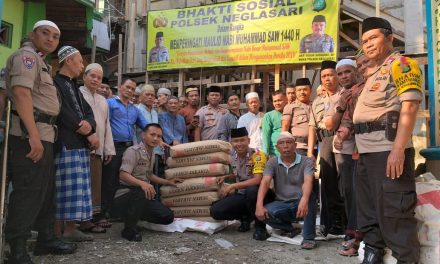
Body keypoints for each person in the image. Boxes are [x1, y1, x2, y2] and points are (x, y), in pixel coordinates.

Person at [5, 20, 77, 263]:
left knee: (45, 192)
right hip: (29, 135)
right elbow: (21, 94)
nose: (50, 39)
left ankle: (45, 240)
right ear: (32, 34)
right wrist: (33, 136)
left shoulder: (41, 62)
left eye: (55, 36)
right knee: (28, 193)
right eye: (45, 33)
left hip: (45, 134)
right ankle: (17, 249)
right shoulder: (26, 57)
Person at [353, 17, 423, 264]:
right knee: (369, 211)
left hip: (388, 151)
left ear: (390, 37)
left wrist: (398, 149)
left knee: (396, 215)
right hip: (366, 153)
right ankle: (373, 254)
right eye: (364, 41)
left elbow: (411, 105)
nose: (368, 44)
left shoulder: (402, 64)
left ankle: (407, 260)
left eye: (373, 37)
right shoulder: (373, 73)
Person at [53, 46, 97, 242]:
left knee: (77, 190)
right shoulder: (55, 83)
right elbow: (60, 110)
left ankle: (71, 230)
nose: (82, 65)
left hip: (80, 145)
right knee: (63, 189)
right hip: (66, 143)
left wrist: (90, 126)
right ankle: (56, 233)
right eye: (80, 61)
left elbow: (88, 112)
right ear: (69, 61)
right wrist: (83, 128)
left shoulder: (76, 88)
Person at [112, 123, 182, 241]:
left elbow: (149, 174)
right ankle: (129, 229)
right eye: (152, 134)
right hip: (125, 194)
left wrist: (168, 182)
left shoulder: (152, 152)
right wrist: (143, 184)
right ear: (143, 135)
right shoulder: (133, 151)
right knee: (141, 192)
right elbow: (123, 175)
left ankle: (135, 217)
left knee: (167, 216)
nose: (155, 138)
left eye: (159, 136)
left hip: (142, 195)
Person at [255, 132, 317, 249]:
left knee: (310, 195)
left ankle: (308, 237)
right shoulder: (272, 162)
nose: (285, 146)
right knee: (263, 213)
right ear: (277, 147)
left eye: (289, 142)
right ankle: (291, 228)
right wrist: (259, 205)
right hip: (282, 204)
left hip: (302, 204)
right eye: (281, 143)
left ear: (295, 145)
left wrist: (304, 199)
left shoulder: (306, 161)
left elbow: (308, 181)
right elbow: (265, 182)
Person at [325, 59, 361, 256]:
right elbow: (331, 124)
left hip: (365, 143)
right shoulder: (339, 96)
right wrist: (340, 105)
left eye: (348, 72)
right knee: (348, 190)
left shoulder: (364, 88)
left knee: (360, 190)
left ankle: (358, 233)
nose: (344, 76)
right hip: (345, 146)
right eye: (340, 73)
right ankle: (351, 231)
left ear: (356, 72)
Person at [102, 79, 148, 223]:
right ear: (120, 87)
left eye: (133, 89)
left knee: (125, 181)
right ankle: (104, 213)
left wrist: (159, 138)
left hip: (129, 148)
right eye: (127, 87)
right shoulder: (110, 103)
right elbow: (103, 124)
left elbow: (146, 127)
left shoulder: (135, 109)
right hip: (113, 147)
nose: (130, 90)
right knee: (109, 180)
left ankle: (118, 212)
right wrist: (105, 147)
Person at [308, 60, 346, 238]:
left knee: (344, 182)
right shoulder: (316, 102)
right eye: (324, 76)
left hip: (343, 140)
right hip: (324, 142)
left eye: (331, 74)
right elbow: (312, 128)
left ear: (337, 75)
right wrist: (310, 152)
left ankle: (348, 223)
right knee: (328, 181)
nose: (327, 79)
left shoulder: (346, 94)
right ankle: (334, 223)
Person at [79, 63, 116, 233]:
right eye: (92, 76)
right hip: (81, 147)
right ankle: (79, 221)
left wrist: (108, 149)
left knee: (94, 185)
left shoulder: (103, 100)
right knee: (80, 185)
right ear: (84, 76)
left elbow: (107, 125)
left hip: (99, 149)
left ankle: (90, 219)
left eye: (99, 77)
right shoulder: (78, 94)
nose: (95, 80)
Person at [210, 127, 266, 233]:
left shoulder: (258, 155)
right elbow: (238, 174)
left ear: (248, 141)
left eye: (242, 140)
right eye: (236, 141)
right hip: (242, 195)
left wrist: (232, 186)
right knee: (215, 210)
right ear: (231, 143)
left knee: (252, 190)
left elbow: (257, 180)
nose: (239, 144)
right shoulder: (233, 157)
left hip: (260, 195)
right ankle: (245, 217)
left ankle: (260, 226)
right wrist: (226, 177)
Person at [282, 78, 314, 156]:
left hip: (316, 146)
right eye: (299, 90)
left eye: (305, 89)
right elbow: (285, 128)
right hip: (298, 147)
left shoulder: (315, 105)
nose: (302, 92)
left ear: (310, 90)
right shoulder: (290, 107)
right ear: (295, 92)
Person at [261, 91, 288, 157]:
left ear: (286, 100)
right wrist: (265, 153)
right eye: (275, 101)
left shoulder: (291, 113)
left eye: (279, 100)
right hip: (275, 154)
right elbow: (266, 135)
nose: (277, 103)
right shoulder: (268, 116)